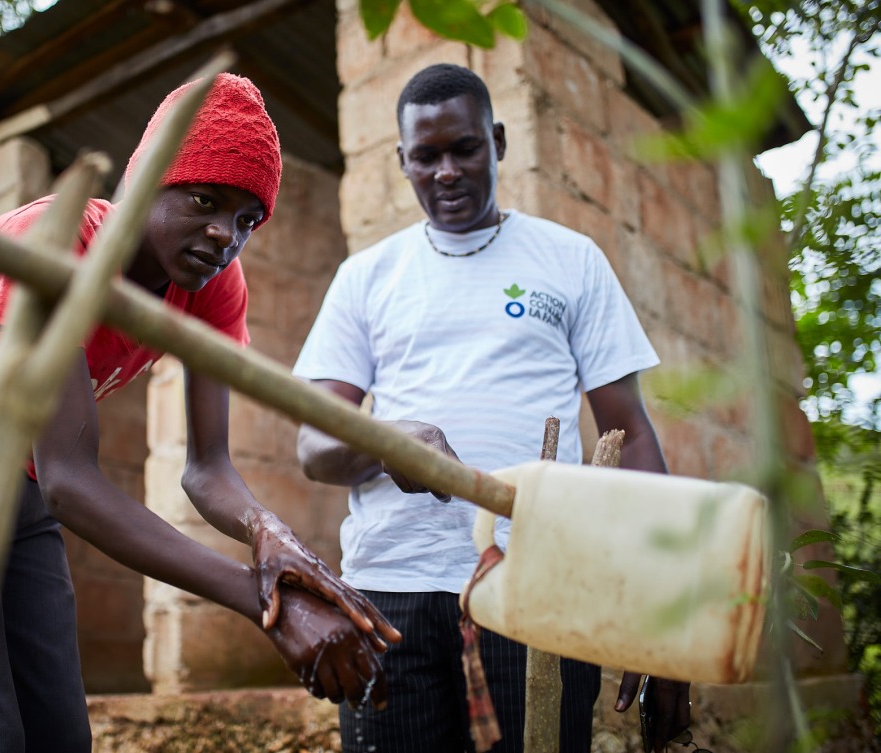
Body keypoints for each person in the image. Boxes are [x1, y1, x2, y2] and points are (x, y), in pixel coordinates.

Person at [0, 73, 398, 753]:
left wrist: (272, 537)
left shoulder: (213, 282)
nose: (225, 233)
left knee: (60, 734)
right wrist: (268, 605)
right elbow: (71, 481)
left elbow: (208, 468)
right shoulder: (58, 241)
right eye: (204, 200)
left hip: (16, 474)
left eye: (247, 220)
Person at [293, 63, 690, 753]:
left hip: (537, 581)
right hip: (390, 592)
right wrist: (390, 441)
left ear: (497, 141)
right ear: (401, 161)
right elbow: (314, 449)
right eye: (426, 156)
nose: (446, 171)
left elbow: (628, 435)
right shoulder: (366, 277)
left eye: (465, 148)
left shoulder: (571, 260)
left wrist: (657, 610)